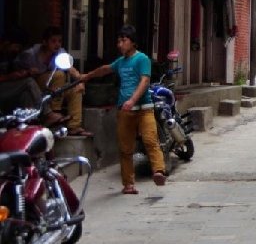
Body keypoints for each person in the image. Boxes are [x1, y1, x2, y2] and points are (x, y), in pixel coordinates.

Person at [79, 25, 167, 194]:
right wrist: (87, 76)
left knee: (150, 140)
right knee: (125, 147)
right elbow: (105, 69)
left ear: (133, 42)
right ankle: (128, 184)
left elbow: (144, 81)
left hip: (144, 108)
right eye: (118, 41)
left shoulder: (142, 59)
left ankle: (158, 171)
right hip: (125, 110)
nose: (120, 44)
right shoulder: (120, 62)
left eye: (123, 40)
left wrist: (133, 99)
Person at [15, 26, 90, 136]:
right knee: (59, 75)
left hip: (53, 88)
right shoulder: (30, 55)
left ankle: (74, 126)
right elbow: (16, 71)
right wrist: (28, 71)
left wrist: (80, 81)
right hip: (35, 87)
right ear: (45, 42)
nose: (57, 44)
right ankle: (54, 113)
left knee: (75, 90)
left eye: (59, 41)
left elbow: (71, 69)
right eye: (53, 41)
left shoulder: (60, 53)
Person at [0, 27, 65, 124]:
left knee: (26, 94)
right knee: (29, 82)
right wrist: (9, 77)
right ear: (6, 44)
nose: (17, 50)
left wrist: (23, 73)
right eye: (16, 46)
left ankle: (30, 124)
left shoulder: (9, 56)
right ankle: (48, 113)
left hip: (8, 89)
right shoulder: (29, 55)